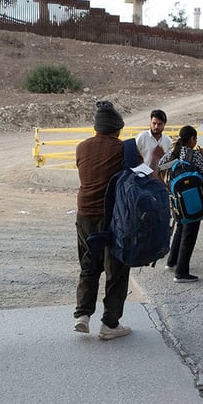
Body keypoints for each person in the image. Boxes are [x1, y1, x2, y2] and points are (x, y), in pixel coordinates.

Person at [73, 100, 133, 340]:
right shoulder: (123, 148)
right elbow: (137, 177)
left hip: (84, 213)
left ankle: (82, 316)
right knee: (116, 269)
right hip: (112, 218)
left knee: (89, 264)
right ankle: (110, 323)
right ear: (116, 128)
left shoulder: (81, 147)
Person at [160, 125, 203, 283]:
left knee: (180, 228)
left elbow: (160, 167)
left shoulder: (173, 154)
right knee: (190, 233)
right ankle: (181, 273)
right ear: (192, 139)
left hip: (177, 199)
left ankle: (172, 261)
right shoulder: (194, 155)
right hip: (193, 200)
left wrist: (168, 186)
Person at [135, 109, 172, 176]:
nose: (156, 127)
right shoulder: (142, 137)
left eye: (159, 124)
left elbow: (168, 164)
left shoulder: (168, 141)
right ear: (150, 122)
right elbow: (133, 156)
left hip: (159, 179)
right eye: (154, 123)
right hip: (142, 177)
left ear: (164, 124)